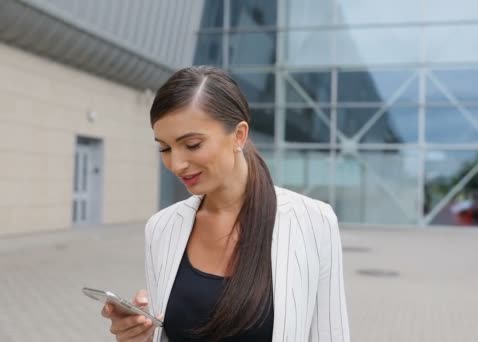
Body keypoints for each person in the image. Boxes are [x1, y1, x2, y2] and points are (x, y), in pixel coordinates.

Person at [101, 66, 350, 342]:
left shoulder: (313, 221)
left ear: (239, 135)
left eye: (192, 144)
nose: (176, 164)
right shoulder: (161, 228)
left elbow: (331, 334)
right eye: (165, 148)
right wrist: (139, 337)